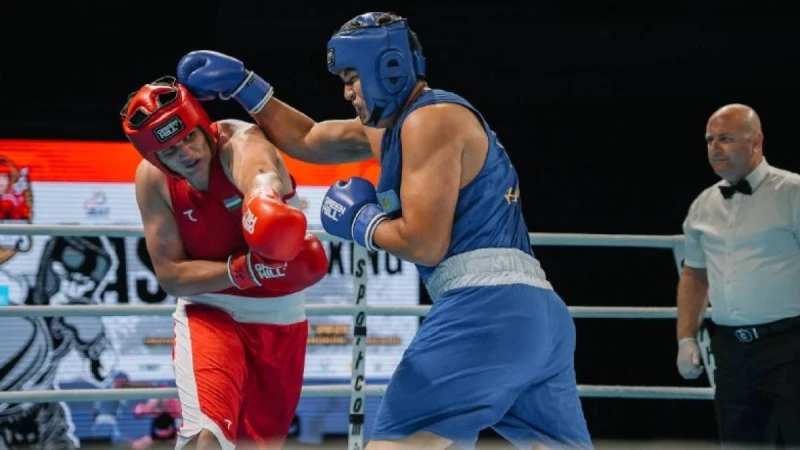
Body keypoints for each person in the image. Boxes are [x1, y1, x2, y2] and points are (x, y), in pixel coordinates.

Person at [174, 11, 592, 450]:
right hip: (538, 317)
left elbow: (425, 244)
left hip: (485, 310)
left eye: (352, 77)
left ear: (388, 68)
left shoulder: (430, 120)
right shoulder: (395, 127)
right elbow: (309, 138)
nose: (347, 91)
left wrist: (362, 221)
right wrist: (245, 86)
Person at [120, 75, 330, 450]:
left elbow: (259, 171)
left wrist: (263, 199)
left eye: (189, 137)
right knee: (206, 436)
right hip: (209, 310)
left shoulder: (240, 141)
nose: (186, 153)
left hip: (281, 318)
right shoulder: (152, 181)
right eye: (170, 151)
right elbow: (171, 276)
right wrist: (247, 270)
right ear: (155, 158)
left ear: (203, 125)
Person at [677, 103, 800, 447]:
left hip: (791, 346)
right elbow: (694, 274)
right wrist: (685, 338)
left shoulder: (793, 193)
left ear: (756, 142)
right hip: (732, 353)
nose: (715, 147)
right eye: (709, 140)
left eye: (726, 138)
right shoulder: (703, 205)